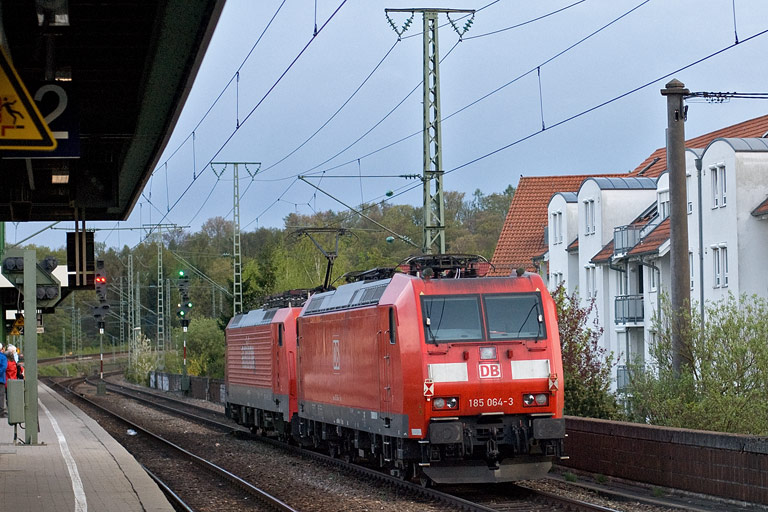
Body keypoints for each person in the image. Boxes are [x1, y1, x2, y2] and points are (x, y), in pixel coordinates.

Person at [0, 344, 7, 418]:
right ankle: (1, 412)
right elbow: (4, 367)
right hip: (1, 379)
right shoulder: (3, 357)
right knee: (1, 395)